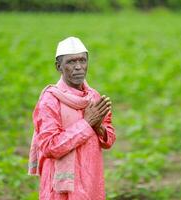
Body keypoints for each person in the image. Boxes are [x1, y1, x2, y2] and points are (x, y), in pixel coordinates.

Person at [28, 36, 116, 200]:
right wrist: (87, 124)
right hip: (59, 188)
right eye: (71, 62)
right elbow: (49, 146)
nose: (78, 67)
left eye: (82, 61)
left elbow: (109, 139)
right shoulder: (50, 100)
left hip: (91, 183)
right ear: (58, 66)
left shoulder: (94, 97)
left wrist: (98, 127)